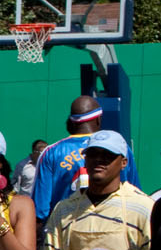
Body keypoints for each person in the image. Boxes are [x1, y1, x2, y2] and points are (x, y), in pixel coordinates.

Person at [32, 96, 138, 224]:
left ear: (72, 122)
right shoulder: (120, 148)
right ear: (98, 119)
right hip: (114, 225)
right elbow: (134, 194)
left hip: (66, 227)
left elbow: (40, 210)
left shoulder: (51, 152)